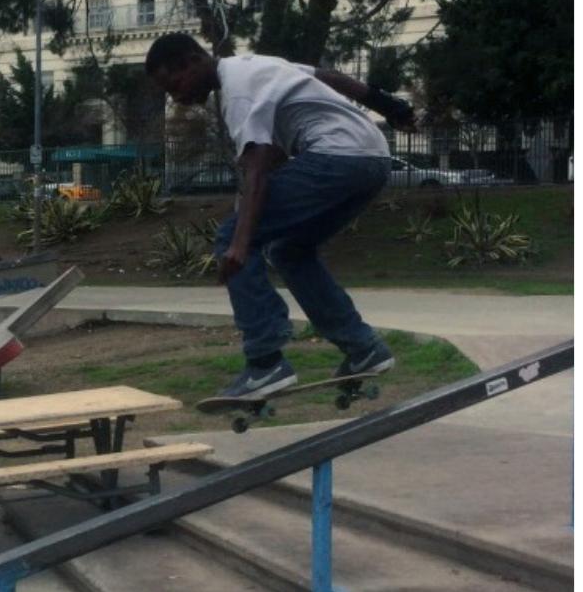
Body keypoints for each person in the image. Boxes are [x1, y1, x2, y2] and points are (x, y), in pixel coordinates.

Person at [145, 33, 415, 398]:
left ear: (193, 61)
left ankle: (265, 361)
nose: (177, 98)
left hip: (336, 158)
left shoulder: (238, 92)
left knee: (231, 237)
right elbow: (330, 77)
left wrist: (240, 244)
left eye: (175, 85)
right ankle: (363, 348)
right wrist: (389, 105)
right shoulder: (256, 64)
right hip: (374, 161)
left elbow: (256, 170)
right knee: (289, 250)